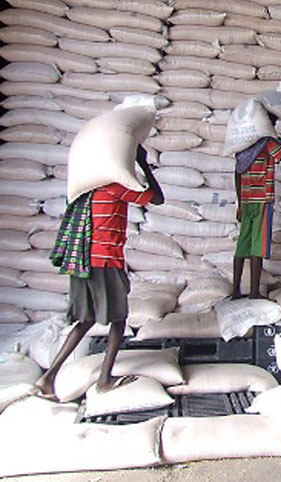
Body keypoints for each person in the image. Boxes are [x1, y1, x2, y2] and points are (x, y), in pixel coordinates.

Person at [34, 144, 164, 401]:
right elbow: (157, 198)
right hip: (105, 262)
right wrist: (142, 163)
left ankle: (48, 376)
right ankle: (104, 379)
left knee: (87, 320)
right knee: (119, 319)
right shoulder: (115, 188)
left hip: (82, 262)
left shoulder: (85, 193)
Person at [233, 111, 281, 299]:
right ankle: (254, 292)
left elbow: (237, 172)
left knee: (242, 245)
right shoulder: (268, 144)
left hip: (246, 201)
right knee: (258, 246)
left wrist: (240, 203)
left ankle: (236, 291)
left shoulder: (243, 144)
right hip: (262, 201)